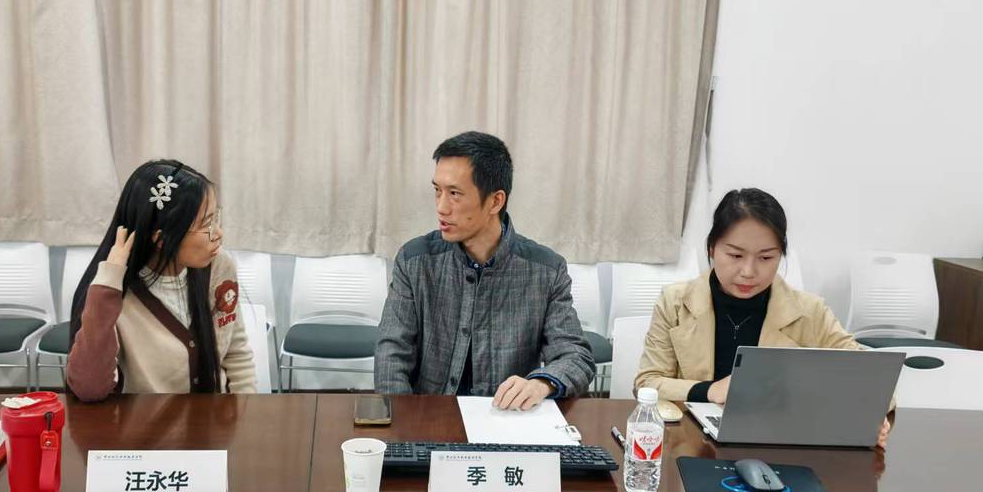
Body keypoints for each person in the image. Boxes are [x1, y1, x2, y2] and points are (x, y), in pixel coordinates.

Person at [635, 188, 891, 446]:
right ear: (712, 248)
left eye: (766, 257)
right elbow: (647, 382)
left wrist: (870, 410)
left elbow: (876, 380)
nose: (749, 271)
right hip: (691, 444)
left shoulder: (810, 312)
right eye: (735, 255)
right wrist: (711, 390)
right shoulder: (675, 302)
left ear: (780, 255)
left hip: (782, 444)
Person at [374, 131, 595, 408]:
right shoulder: (415, 260)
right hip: (429, 416)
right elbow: (391, 354)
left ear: (495, 201)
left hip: (505, 417)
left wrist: (541, 384)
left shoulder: (546, 270)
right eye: (437, 191)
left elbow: (576, 357)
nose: (441, 207)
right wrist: (402, 419)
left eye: (454, 194)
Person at [66, 160, 255, 400]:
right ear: (161, 239)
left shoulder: (218, 266)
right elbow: (89, 389)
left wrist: (246, 410)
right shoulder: (112, 292)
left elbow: (236, 354)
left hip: (215, 421)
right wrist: (107, 286)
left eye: (215, 218)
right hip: (144, 424)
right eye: (207, 224)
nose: (218, 233)